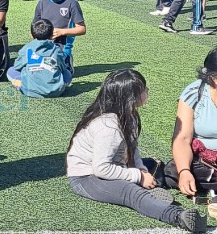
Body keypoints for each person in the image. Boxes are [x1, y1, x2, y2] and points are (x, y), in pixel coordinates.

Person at [67, 69, 207, 233]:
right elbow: (102, 168)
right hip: (88, 177)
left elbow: (132, 149)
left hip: (118, 166)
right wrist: (138, 176)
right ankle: (178, 216)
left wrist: (140, 168)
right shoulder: (108, 127)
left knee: (157, 167)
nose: (147, 91)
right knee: (131, 192)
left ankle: (159, 186)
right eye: (143, 89)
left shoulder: (128, 115)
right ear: (131, 97)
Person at [164, 48, 217, 219]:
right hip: (205, 161)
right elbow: (182, 138)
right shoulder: (194, 93)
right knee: (173, 171)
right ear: (212, 78)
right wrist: (185, 171)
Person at [33, 0, 86, 72]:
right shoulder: (41, 3)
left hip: (62, 46)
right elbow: (35, 27)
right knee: (37, 72)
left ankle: (67, 60)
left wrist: (61, 32)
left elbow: (82, 29)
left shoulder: (72, 3)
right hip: (44, 46)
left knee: (59, 74)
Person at [7, 18, 72, 98]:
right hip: (55, 91)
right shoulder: (57, 50)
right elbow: (63, 69)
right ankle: (60, 86)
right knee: (67, 73)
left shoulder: (27, 49)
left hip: (29, 90)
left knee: (11, 70)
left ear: (31, 35)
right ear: (52, 35)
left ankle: (21, 84)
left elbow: (17, 66)